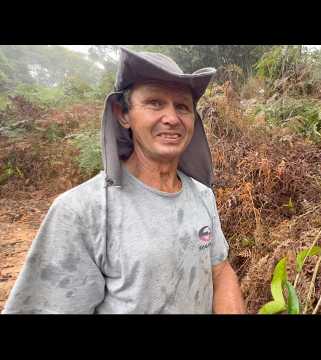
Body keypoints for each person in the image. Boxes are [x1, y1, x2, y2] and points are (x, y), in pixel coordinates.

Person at [2, 47, 246, 314]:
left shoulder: (201, 195)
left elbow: (220, 271)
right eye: (154, 102)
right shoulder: (82, 210)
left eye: (182, 107)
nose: (172, 118)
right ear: (123, 114)